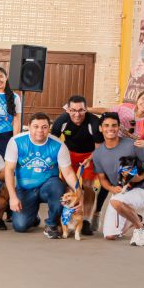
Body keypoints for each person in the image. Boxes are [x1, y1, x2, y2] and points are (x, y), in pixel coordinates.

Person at [88, 88, 144, 230]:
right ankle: (97, 212)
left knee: (130, 186)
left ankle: (136, 217)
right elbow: (107, 112)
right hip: (114, 148)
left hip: (132, 156)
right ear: (138, 98)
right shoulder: (125, 108)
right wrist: (87, 109)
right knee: (106, 183)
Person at [4, 113, 78, 238]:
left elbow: (68, 173)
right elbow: (9, 170)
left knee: (57, 187)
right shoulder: (16, 141)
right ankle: (33, 216)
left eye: (44, 127)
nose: (40, 130)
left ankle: (51, 224)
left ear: (49, 128)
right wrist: (12, 197)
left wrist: (78, 192)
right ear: (29, 126)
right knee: (20, 226)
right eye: (36, 126)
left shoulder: (59, 145)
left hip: (48, 186)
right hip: (25, 188)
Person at [51, 95, 102, 235]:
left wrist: (90, 159)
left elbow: (99, 148)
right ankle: (67, 217)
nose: (77, 114)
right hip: (69, 153)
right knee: (68, 186)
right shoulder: (61, 121)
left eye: (81, 110)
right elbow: (53, 142)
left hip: (90, 154)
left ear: (86, 109)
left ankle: (86, 220)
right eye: (73, 110)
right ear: (68, 110)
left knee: (88, 185)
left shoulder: (94, 122)